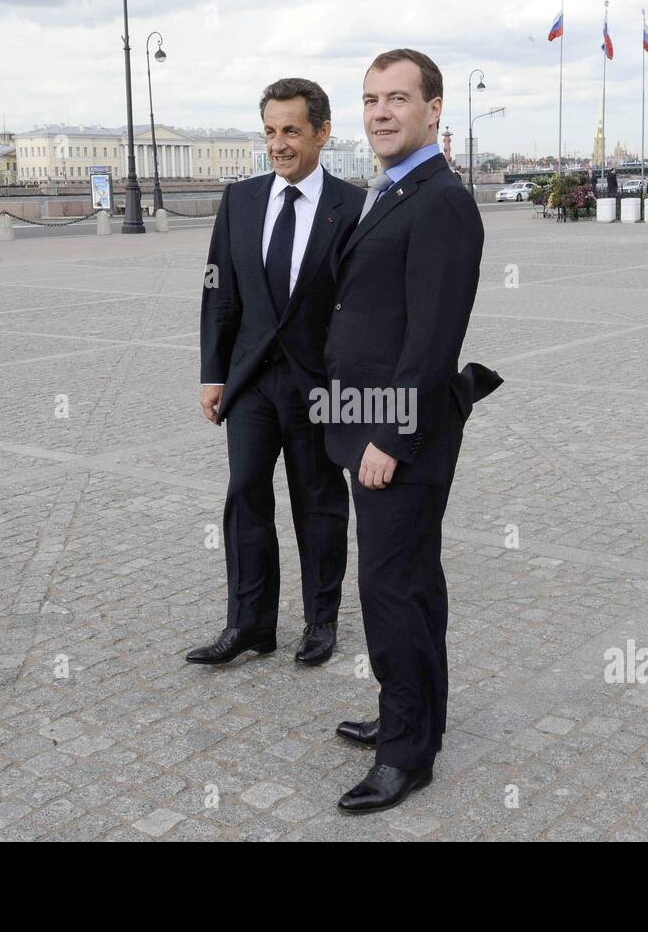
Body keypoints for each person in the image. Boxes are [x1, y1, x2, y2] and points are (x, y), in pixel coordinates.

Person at [323, 49, 501, 814]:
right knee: (414, 581)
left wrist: (389, 439)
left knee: (390, 587)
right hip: (363, 422)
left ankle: (405, 756)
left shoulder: (441, 200)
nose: (381, 112)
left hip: (401, 434)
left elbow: (433, 338)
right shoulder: (394, 189)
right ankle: (417, 717)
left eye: (398, 98)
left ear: (434, 111)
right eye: (370, 100)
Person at [190, 78, 364, 667]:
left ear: (321, 132)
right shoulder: (239, 201)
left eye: (291, 130)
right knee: (245, 497)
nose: (278, 144)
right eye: (270, 131)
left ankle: (321, 622)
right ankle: (250, 624)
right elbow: (219, 293)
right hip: (252, 383)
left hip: (319, 387)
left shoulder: (354, 205)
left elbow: (363, 310)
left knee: (318, 501)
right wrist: (213, 374)